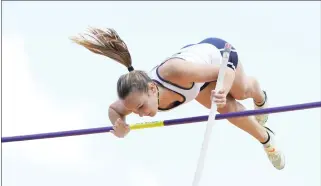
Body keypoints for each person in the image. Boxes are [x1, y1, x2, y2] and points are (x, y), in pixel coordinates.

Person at [70, 27, 285, 170]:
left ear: (152, 88)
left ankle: (259, 94)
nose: (141, 114)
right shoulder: (134, 98)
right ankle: (268, 140)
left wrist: (223, 90)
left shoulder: (175, 71)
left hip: (218, 56)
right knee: (227, 109)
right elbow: (114, 110)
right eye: (135, 111)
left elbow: (225, 71)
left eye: (142, 107)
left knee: (241, 92)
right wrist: (120, 125)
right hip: (196, 82)